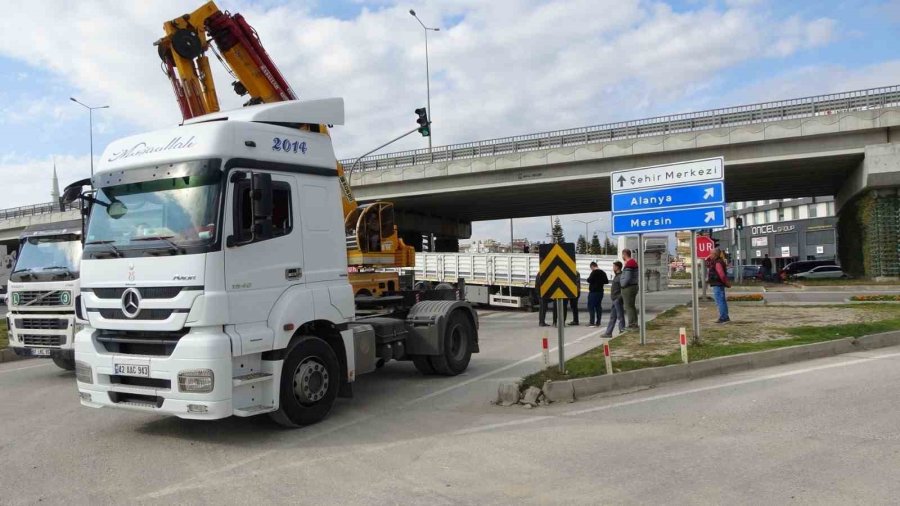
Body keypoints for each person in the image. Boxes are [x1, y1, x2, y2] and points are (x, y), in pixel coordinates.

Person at [707, 247, 731, 323]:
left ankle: (723, 317)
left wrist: (726, 282)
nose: (710, 255)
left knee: (720, 301)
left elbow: (721, 274)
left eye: (711, 253)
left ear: (715, 254)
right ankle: (725, 316)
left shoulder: (718, 262)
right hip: (717, 284)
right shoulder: (716, 261)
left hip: (718, 284)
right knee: (721, 300)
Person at [604, 261, 626, 337]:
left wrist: (618, 298)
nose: (613, 268)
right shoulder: (616, 276)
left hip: (617, 299)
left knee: (620, 316)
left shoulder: (620, 276)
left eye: (614, 266)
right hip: (614, 299)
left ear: (617, 267)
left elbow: (623, 288)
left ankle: (622, 330)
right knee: (612, 317)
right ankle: (608, 333)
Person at [620, 248, 639, 328]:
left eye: (622, 255)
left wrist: (622, 284)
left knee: (628, 306)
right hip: (633, 286)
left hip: (629, 287)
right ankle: (634, 322)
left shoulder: (630, 263)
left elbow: (627, 278)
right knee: (632, 305)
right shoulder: (633, 262)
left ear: (624, 254)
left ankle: (631, 324)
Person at [586, 261, 608, 327]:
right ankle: (598, 322)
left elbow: (589, 280)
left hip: (593, 292)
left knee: (591, 306)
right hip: (600, 291)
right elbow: (606, 281)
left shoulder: (594, 272)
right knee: (598, 306)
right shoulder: (603, 272)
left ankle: (591, 322)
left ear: (592, 266)